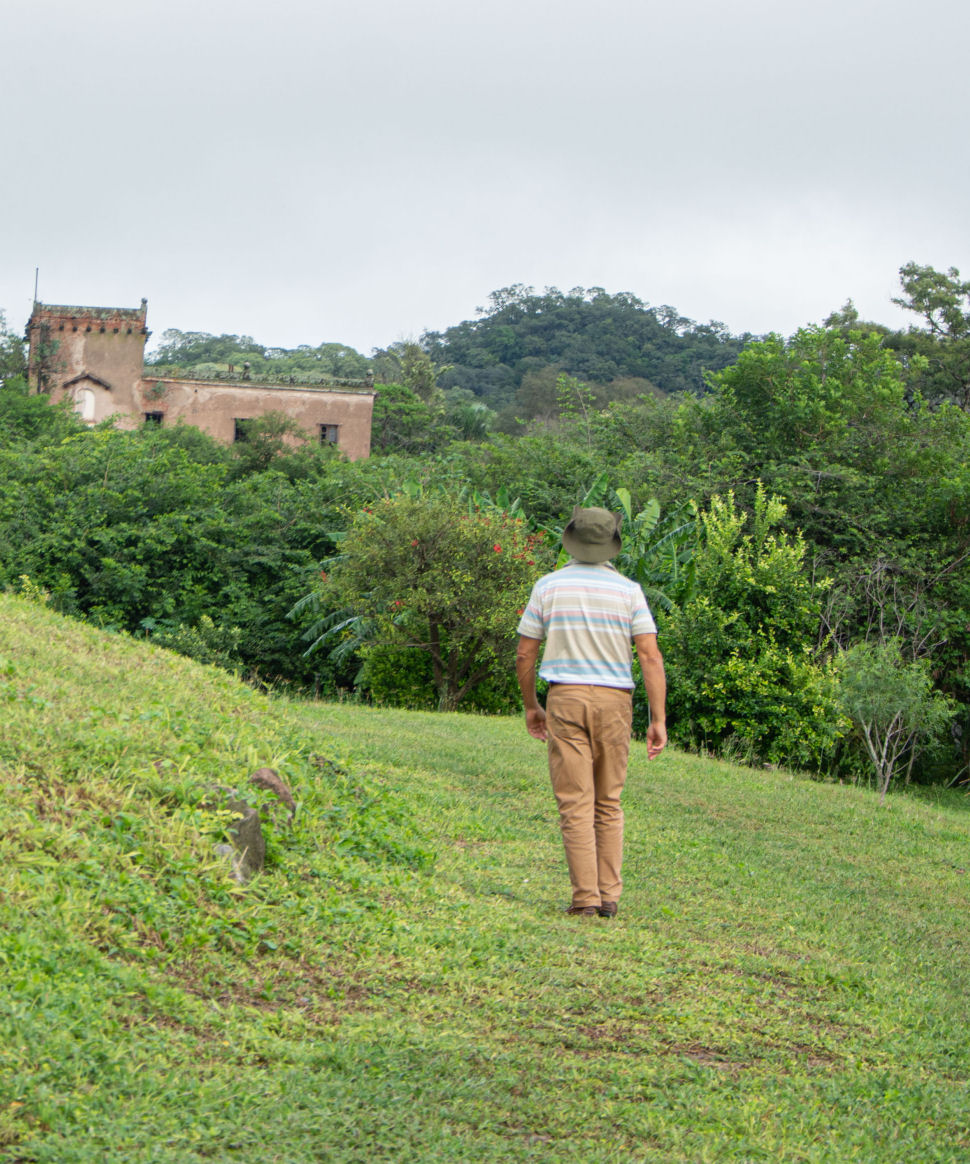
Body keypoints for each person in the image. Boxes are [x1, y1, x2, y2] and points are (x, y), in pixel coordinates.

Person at [515, 506, 667, 918]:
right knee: (608, 801)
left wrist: (531, 705)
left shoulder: (547, 586)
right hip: (615, 702)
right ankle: (609, 896)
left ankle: (585, 899)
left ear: (571, 539)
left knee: (575, 801)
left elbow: (526, 653)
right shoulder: (629, 591)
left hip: (565, 699)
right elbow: (650, 656)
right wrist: (658, 719)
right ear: (611, 543)